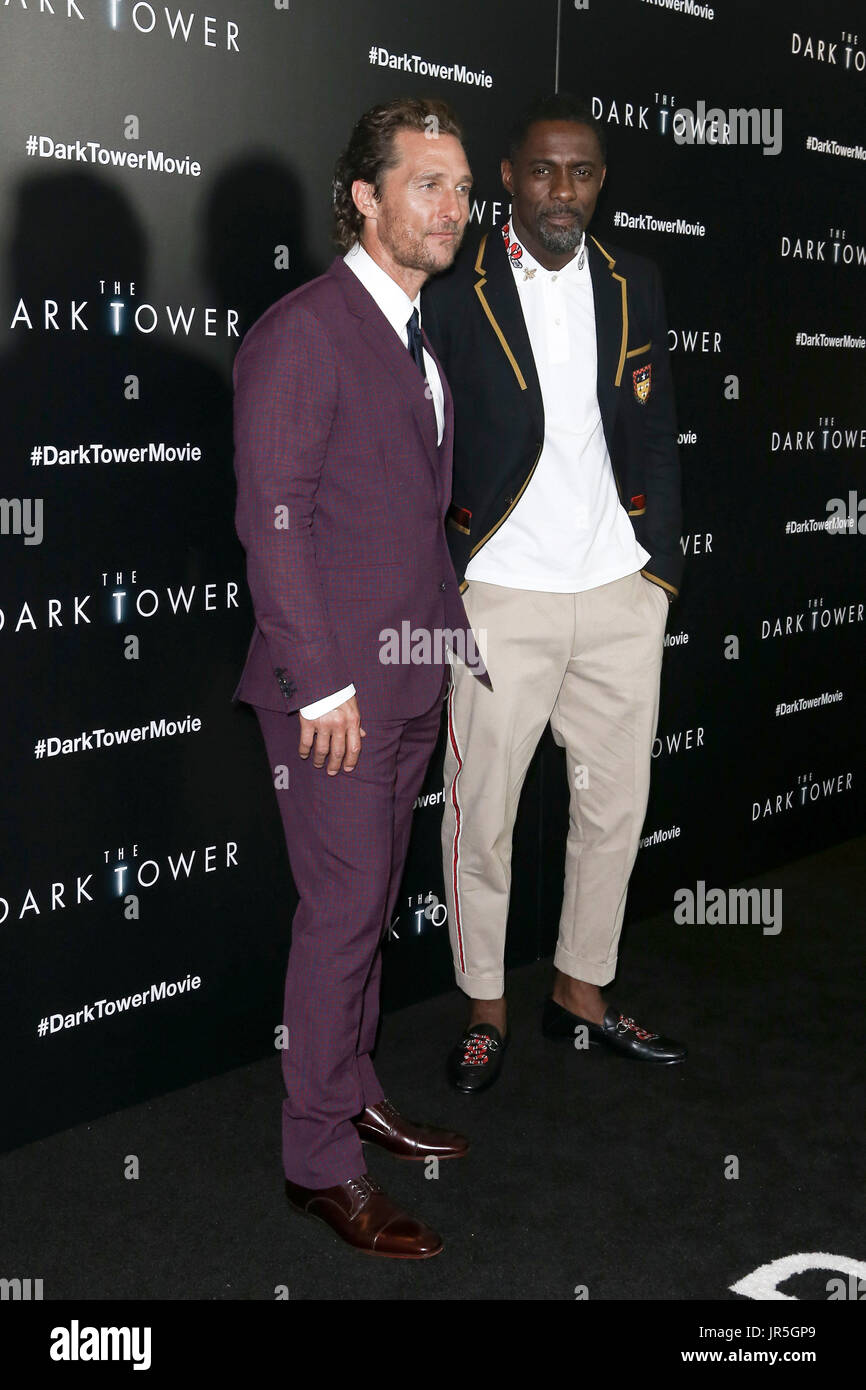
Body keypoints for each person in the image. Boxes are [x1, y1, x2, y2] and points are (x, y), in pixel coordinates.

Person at [232, 97, 486, 1256]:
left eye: (461, 185)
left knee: (367, 912)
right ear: (364, 197)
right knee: (339, 920)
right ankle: (317, 1159)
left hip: (408, 681)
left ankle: (353, 1087)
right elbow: (271, 526)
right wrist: (324, 685)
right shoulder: (303, 330)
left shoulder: (416, 331)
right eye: (426, 183)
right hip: (332, 702)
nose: (453, 205)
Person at [421, 93, 687, 1093]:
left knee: (613, 808)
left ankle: (579, 989)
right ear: (507, 177)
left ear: (600, 182)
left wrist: (654, 569)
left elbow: (653, 432)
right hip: (501, 595)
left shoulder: (635, 281)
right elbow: (417, 443)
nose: (561, 190)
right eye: (543, 171)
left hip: (616, 591)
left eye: (581, 172)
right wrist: (447, 573)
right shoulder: (454, 287)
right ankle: (484, 1007)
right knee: (480, 813)